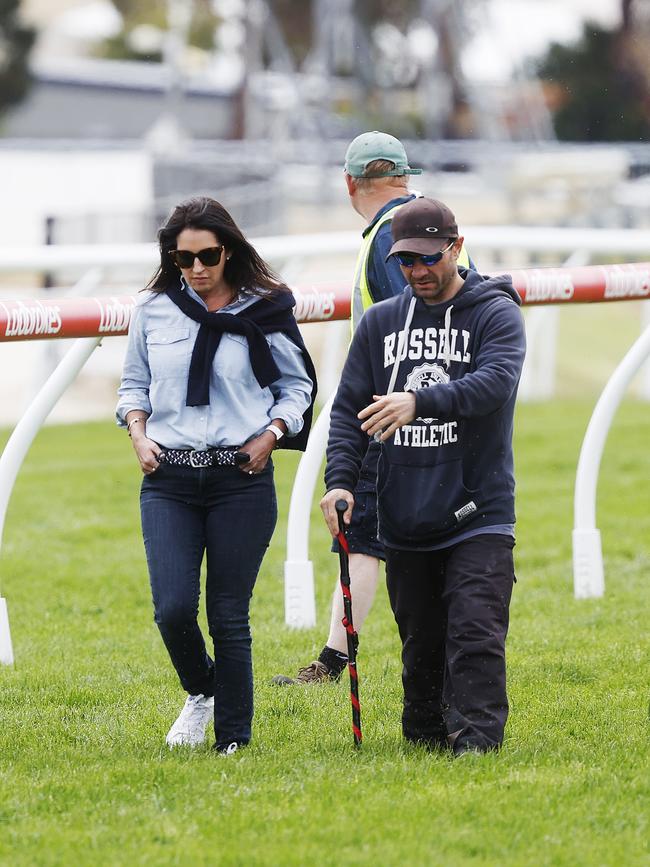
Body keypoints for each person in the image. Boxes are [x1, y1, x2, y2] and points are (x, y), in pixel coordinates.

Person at [320, 196, 526, 755]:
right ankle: (431, 736)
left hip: (478, 509)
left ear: (457, 248)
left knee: (475, 630)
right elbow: (348, 411)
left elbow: (495, 384)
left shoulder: (495, 313)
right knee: (423, 646)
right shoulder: (382, 322)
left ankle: (478, 742)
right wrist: (338, 481)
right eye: (407, 262)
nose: (418, 272)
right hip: (406, 512)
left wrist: (419, 402)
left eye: (430, 259)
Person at [116, 196, 316, 754]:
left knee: (228, 613)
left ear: (228, 250)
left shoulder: (268, 309)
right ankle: (201, 691)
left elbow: (295, 388)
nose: (197, 268)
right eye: (184, 259)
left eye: (207, 255)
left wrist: (272, 433)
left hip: (241, 480)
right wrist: (137, 431)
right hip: (169, 481)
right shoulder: (154, 310)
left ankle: (234, 739)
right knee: (173, 608)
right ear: (172, 258)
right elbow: (134, 385)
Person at [273, 131, 473, 685]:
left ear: (348, 184)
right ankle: (343, 658)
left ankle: (334, 664)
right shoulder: (433, 227)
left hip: (398, 411)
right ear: (405, 175)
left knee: (363, 530)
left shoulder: (393, 237)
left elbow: (407, 327)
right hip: (447, 408)